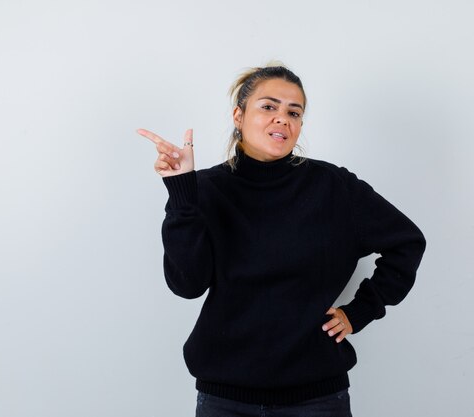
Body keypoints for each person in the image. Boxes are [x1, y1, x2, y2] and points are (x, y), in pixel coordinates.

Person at [138, 63, 426, 417]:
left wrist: (361, 310)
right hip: (225, 399)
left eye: (294, 112)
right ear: (238, 115)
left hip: (317, 399)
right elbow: (187, 284)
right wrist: (183, 190)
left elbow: (407, 242)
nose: (282, 119)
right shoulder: (205, 190)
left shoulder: (334, 187)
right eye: (269, 107)